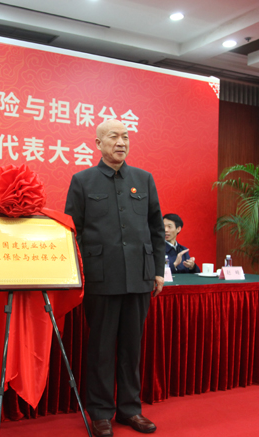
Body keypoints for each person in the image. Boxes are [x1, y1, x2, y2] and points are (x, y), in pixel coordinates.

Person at [65, 119, 165, 436]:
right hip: (101, 278)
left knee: (131, 348)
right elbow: (73, 231)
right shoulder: (82, 181)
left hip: (139, 276)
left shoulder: (143, 179)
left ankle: (130, 409)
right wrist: (80, 273)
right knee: (102, 349)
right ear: (98, 143)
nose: (121, 142)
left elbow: (156, 229)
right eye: (113, 137)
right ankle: (100, 412)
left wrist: (158, 270)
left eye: (126, 137)